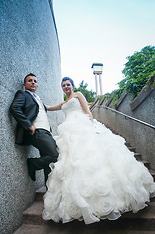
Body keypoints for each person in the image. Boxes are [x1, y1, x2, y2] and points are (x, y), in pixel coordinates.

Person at [42, 76, 155, 224]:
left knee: (93, 157)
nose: (66, 87)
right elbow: (52, 107)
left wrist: (91, 126)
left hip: (82, 128)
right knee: (73, 162)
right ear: (61, 88)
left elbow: (87, 111)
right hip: (69, 133)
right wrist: (42, 105)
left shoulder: (78, 95)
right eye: (63, 85)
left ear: (72, 85)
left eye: (68, 84)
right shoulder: (64, 102)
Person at [10, 73, 58, 184]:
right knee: (55, 155)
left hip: (46, 132)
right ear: (24, 84)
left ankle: (49, 192)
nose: (33, 82)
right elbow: (15, 108)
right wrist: (28, 124)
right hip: (37, 132)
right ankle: (33, 163)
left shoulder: (38, 99)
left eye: (35, 81)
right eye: (30, 80)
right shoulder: (23, 94)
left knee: (47, 162)